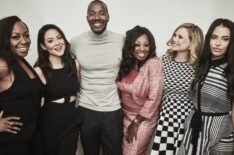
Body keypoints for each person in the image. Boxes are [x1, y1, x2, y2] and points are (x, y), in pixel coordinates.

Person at [70, 0, 124, 155]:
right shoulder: (76, 42)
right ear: (87, 17)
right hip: (86, 109)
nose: (97, 17)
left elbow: (141, 56)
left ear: (108, 17)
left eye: (101, 13)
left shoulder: (121, 40)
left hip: (113, 110)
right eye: (92, 13)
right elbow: (56, 59)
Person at [176, 18, 234, 155]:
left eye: (225, 39)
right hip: (193, 127)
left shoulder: (231, 68)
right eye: (214, 37)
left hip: (220, 131)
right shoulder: (201, 63)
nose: (218, 43)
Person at [151, 23, 204, 155]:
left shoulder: (198, 67)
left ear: (192, 43)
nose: (175, 39)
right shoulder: (163, 60)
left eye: (180, 37)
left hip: (186, 120)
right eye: (175, 34)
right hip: (166, 117)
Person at [33, 24, 83, 155]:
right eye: (50, 41)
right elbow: (31, 103)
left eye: (59, 37)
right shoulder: (39, 71)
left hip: (71, 119)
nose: (57, 43)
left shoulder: (74, 64)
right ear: (43, 46)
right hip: (50, 122)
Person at [116, 25, 164, 155]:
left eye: (146, 45)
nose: (142, 49)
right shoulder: (127, 63)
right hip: (125, 116)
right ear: (130, 46)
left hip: (143, 119)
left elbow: (155, 97)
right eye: (137, 45)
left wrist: (136, 122)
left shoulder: (154, 64)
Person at [0, 16, 43, 155]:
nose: (24, 41)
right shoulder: (3, 65)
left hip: (32, 136)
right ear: (5, 39)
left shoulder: (21, 61)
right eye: (16, 37)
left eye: (26, 35)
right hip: (12, 142)